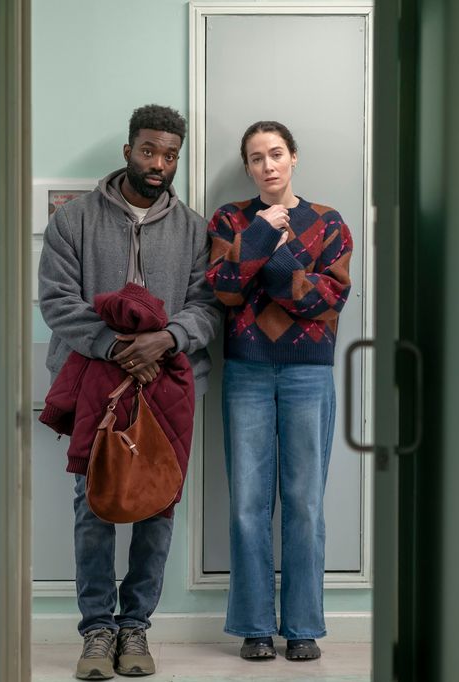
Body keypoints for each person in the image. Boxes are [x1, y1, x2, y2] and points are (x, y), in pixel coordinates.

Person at [38, 104, 222, 680]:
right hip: (94, 378)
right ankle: (97, 631)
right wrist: (117, 347)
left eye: (170, 155)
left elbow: (208, 307)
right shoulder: (75, 221)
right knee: (91, 505)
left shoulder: (195, 228)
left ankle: (135, 626)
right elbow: (56, 302)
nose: (159, 164)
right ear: (127, 150)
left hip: (166, 383)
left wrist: (165, 339)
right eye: (149, 151)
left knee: (158, 505)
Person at [205, 121, 353, 662]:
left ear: (294, 158)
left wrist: (271, 257)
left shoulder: (330, 222)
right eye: (256, 158)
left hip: (308, 375)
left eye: (276, 154)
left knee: (305, 504)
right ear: (247, 167)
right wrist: (264, 235)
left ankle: (303, 627)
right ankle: (254, 627)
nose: (267, 165)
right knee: (247, 503)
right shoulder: (230, 220)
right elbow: (222, 290)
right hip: (245, 371)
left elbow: (325, 302)